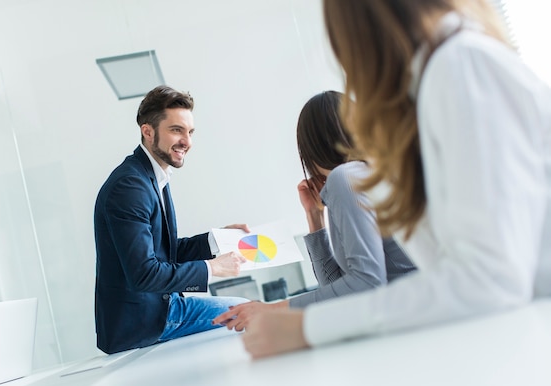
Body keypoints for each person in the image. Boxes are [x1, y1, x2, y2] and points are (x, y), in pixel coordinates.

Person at [240, 0, 551, 358]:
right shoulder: (438, 84)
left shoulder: (460, 65)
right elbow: (451, 270)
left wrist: (307, 325)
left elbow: (489, 280)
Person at [212, 91, 416, 331]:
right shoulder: (364, 175)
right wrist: (314, 217)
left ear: (312, 147)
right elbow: (334, 286)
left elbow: (367, 283)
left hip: (413, 319)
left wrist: (272, 309)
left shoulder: (345, 178)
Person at [94, 85, 249, 354]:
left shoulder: (150, 178)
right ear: (148, 131)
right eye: (176, 130)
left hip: (160, 309)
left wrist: (217, 240)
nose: (187, 141)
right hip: (146, 321)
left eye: (190, 132)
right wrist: (213, 268)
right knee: (247, 312)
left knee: (245, 311)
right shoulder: (130, 186)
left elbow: (165, 253)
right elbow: (144, 274)